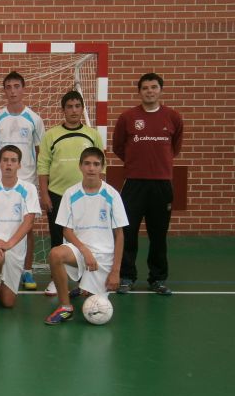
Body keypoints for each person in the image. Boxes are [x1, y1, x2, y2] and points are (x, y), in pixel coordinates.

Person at [112, 73, 184, 295]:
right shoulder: (128, 117)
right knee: (128, 232)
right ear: (139, 92)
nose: (150, 91)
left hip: (162, 185)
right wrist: (136, 164)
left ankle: (158, 279)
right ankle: (126, 276)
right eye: (145, 88)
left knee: (158, 234)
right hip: (134, 184)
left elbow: (175, 147)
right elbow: (118, 147)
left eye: (154, 87)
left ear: (161, 90)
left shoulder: (173, 117)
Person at [44, 147, 128, 325]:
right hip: (79, 250)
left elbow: (119, 234)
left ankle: (86, 287)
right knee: (55, 254)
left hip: (103, 258)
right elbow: (66, 230)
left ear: (102, 168)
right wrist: (84, 250)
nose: (91, 168)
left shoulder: (112, 195)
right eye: (87, 164)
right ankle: (65, 308)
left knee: (98, 306)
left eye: (96, 164)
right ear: (80, 166)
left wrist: (116, 271)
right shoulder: (70, 193)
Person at [37, 90, 105, 296]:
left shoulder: (92, 134)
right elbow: (43, 166)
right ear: (63, 110)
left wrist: (101, 194)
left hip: (86, 197)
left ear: (82, 109)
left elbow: (102, 164)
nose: (74, 110)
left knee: (84, 237)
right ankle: (57, 281)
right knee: (58, 238)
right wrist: (44, 194)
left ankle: (87, 280)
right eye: (69, 107)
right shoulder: (51, 135)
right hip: (57, 194)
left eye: (77, 106)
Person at [0, 71, 45, 291]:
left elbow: (39, 152)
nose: (12, 91)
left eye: (16, 86)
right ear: (4, 91)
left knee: (26, 228)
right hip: (1, 182)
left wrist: (34, 181)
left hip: (26, 180)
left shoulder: (34, 119)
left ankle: (27, 270)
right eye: (8, 87)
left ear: (23, 89)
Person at [0, 145, 42, 313]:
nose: (9, 164)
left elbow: (29, 222)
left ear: (19, 165)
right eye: (5, 160)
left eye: (13, 161)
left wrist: (9, 243)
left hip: (15, 245)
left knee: (8, 302)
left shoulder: (28, 189)